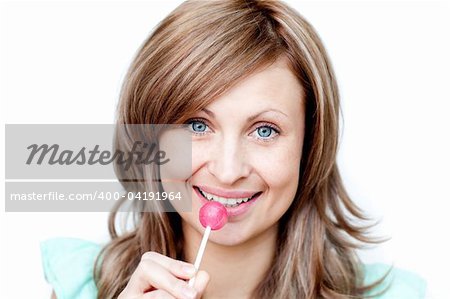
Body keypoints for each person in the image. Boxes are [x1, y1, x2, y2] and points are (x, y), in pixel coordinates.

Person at [41, 1, 427, 298]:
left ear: (310, 145)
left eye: (264, 130)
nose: (228, 171)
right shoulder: (73, 282)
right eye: (196, 125)